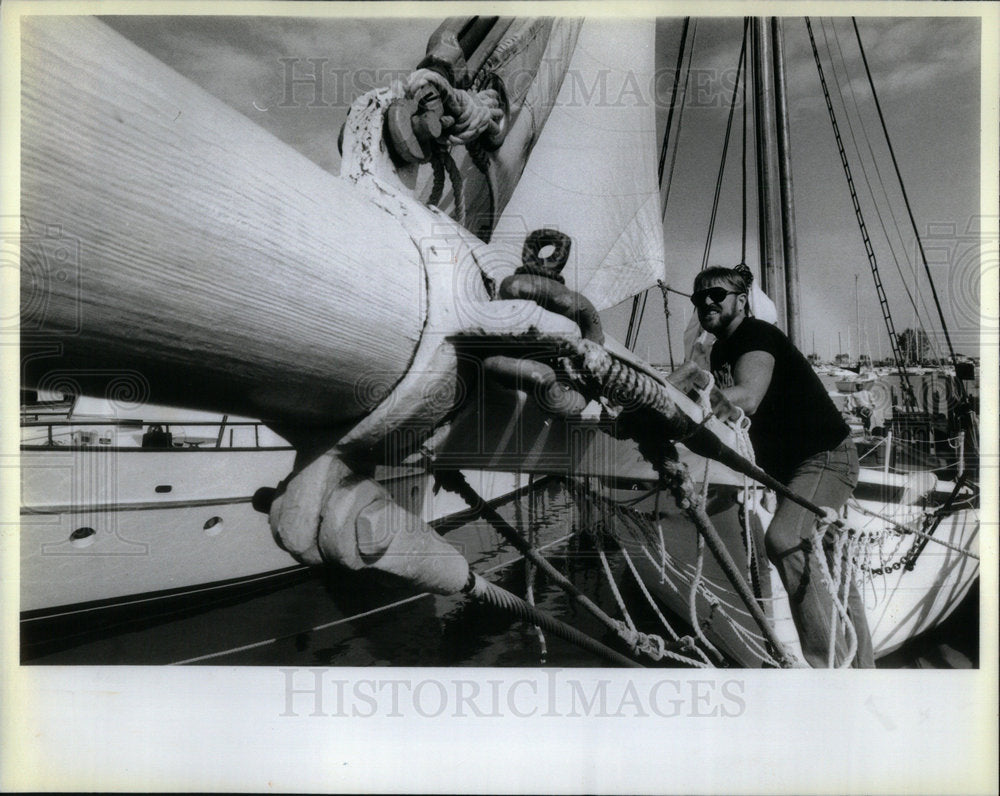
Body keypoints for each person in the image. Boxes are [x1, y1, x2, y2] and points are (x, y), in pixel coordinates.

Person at [690, 264, 874, 668]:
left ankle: (829, 673)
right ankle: (863, 671)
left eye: (716, 294)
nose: (706, 301)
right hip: (794, 471)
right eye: (698, 296)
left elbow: (748, 397)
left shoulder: (756, 334)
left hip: (825, 457)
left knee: (785, 538)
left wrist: (694, 393)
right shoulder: (721, 349)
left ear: (741, 300)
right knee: (831, 572)